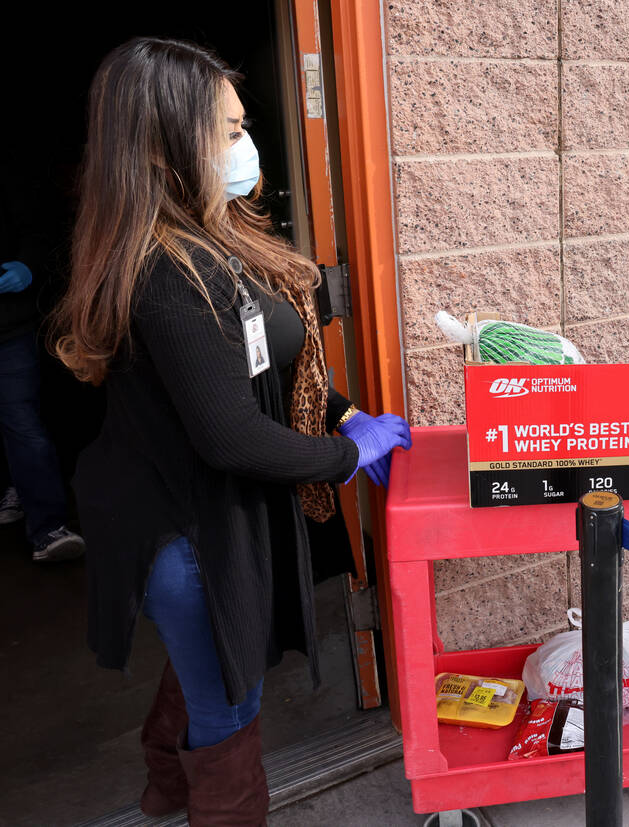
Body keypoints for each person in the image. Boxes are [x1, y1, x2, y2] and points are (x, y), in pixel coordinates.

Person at [53, 38, 412, 825]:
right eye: (228, 129)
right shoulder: (163, 274)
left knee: (217, 657)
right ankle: (209, 798)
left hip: (212, 511)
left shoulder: (219, 237)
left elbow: (270, 370)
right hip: (183, 532)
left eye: (243, 124)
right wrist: (350, 455)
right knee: (231, 710)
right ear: (168, 143)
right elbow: (234, 436)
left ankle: (163, 780)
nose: (245, 145)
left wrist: (344, 411)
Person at [0, 170, 85, 562]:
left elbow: (39, 230)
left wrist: (27, 267)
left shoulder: (10, 183)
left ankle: (48, 529)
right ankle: (14, 487)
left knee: (22, 424)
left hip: (7, 328)